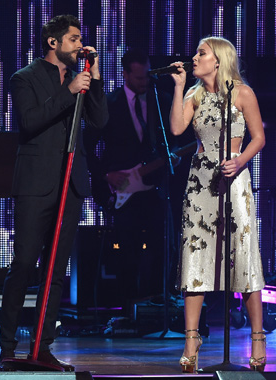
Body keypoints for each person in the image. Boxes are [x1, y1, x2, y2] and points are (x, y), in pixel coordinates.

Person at [0, 14, 107, 371]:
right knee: (25, 264)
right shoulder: (23, 78)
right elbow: (29, 121)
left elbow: (101, 122)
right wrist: (70, 90)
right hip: (36, 184)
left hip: (70, 184)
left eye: (80, 39)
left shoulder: (83, 79)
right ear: (53, 43)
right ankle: (9, 345)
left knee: (56, 271)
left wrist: (96, 82)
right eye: (74, 39)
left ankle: (42, 346)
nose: (80, 45)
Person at [169, 37, 266, 372]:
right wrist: (180, 87)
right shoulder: (195, 96)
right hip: (200, 184)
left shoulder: (242, 93)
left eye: (201, 53)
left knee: (242, 254)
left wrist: (239, 162)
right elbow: (177, 128)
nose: (194, 57)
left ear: (219, 60)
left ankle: (257, 337)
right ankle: (191, 338)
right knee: (195, 256)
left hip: (234, 180)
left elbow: (259, 137)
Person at [84, 49, 175, 308]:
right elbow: (86, 145)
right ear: (125, 74)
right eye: (138, 78)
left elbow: (175, 140)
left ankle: (158, 302)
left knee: (162, 246)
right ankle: (127, 306)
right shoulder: (109, 104)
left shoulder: (162, 100)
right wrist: (105, 174)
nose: (144, 83)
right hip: (123, 188)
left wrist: (173, 157)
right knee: (127, 249)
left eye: (147, 77)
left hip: (156, 186)